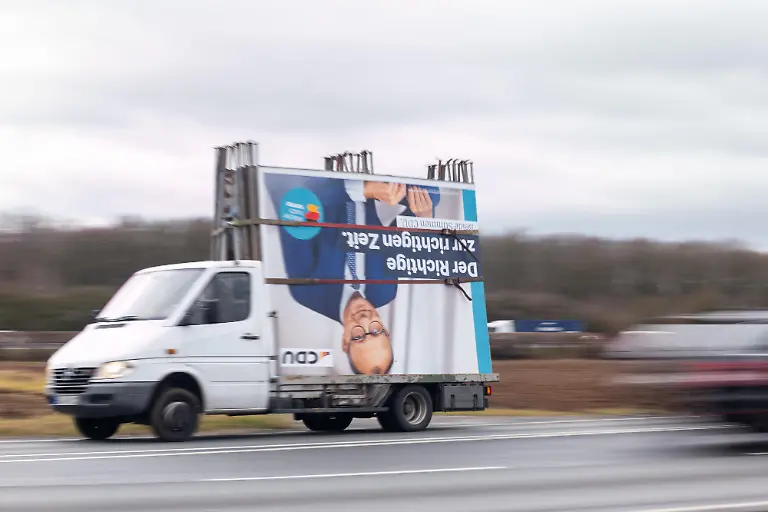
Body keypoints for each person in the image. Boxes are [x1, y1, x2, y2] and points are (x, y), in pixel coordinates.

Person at [263, 173, 439, 374]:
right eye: (375, 331)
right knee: (431, 198)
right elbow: (398, 233)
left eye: (358, 336)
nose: (364, 320)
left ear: (345, 341)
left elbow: (292, 202)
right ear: (386, 330)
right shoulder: (386, 291)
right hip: (365, 171)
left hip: (310, 174)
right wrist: (422, 220)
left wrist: (361, 189)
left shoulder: (306, 292)